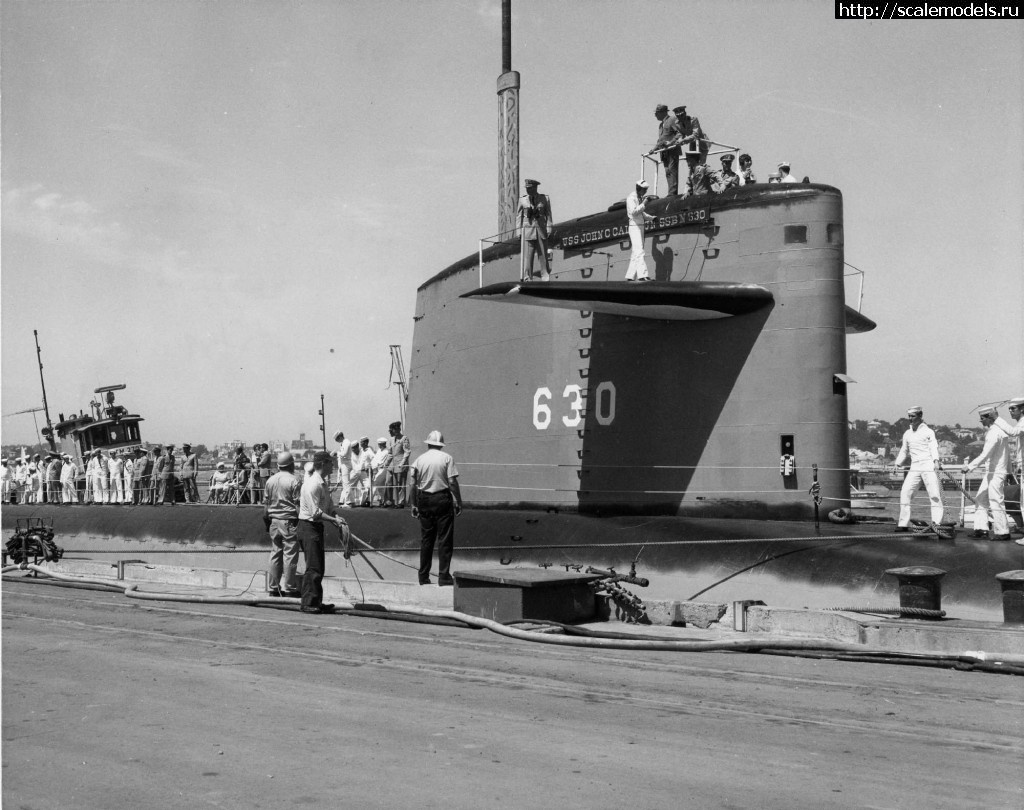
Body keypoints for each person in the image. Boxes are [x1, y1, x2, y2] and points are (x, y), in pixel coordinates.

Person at [409, 430, 462, 586]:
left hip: (424, 499)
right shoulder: (447, 458)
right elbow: (452, 482)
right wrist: (458, 501)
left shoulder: (419, 460)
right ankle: (444, 576)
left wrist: (413, 504)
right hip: (442, 499)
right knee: (444, 539)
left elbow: (412, 485)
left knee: (427, 540)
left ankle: (423, 576)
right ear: (440, 445)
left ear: (428, 443)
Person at [297, 450, 348, 614]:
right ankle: (308, 603)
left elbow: (329, 507)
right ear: (324, 464)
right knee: (313, 567)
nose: (333, 465)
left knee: (318, 566)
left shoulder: (323, 484)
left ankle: (316, 601)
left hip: (316, 527)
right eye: (331, 463)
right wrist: (334, 521)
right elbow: (315, 512)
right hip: (308, 526)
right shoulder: (314, 485)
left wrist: (336, 517)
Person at [891, 406, 943, 532]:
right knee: (905, 492)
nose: (910, 419)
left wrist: (936, 461)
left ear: (920, 416)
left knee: (934, 494)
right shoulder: (907, 434)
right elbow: (904, 450)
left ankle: (937, 524)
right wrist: (897, 463)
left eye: (913, 416)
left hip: (928, 464)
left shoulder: (928, 432)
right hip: (915, 466)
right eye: (909, 416)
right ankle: (903, 523)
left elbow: (933, 447)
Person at [963, 407, 1011, 540]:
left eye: (983, 419)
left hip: (996, 473)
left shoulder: (994, 433)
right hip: (992, 472)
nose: (981, 422)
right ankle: (981, 529)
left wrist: (969, 467)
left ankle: (1003, 532)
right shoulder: (999, 431)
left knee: (996, 501)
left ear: (990, 417)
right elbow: (1007, 456)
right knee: (980, 499)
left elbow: (985, 454)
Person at [264, 450, 303, 597]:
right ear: (291, 464)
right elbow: (298, 506)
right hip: (289, 521)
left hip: (273, 520)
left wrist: (266, 521)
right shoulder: (295, 480)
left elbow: (265, 506)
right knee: (290, 555)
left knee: (275, 553)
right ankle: (290, 588)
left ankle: (273, 588)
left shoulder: (270, 481)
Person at [516, 179, 552, 280]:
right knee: (528, 256)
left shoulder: (544, 198)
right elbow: (519, 217)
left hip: (541, 229)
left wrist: (549, 227)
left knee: (543, 255)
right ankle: (528, 277)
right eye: (527, 188)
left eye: (530, 188)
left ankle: (545, 276)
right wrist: (518, 231)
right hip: (528, 230)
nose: (528, 190)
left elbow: (548, 214)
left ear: (535, 188)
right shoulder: (522, 200)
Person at [648, 104, 683, 196]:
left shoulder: (671, 120)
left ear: (663, 112)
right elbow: (660, 141)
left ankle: (672, 193)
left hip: (672, 150)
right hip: (664, 152)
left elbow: (679, 133)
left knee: (672, 170)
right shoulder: (660, 125)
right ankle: (670, 192)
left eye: (657, 113)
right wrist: (654, 149)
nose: (655, 115)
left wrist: (671, 143)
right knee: (668, 172)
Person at [625, 179, 655, 281]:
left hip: (640, 226)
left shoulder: (639, 197)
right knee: (639, 251)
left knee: (635, 253)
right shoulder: (631, 198)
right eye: (644, 190)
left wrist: (651, 218)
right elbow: (634, 212)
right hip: (634, 226)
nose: (646, 192)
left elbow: (642, 214)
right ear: (639, 188)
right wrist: (644, 203)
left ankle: (630, 275)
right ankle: (643, 275)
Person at [385, 421, 411, 507]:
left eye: (397, 429)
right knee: (389, 482)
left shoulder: (404, 438)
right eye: (394, 429)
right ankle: (390, 501)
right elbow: (390, 453)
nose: (396, 431)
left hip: (401, 464)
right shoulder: (391, 440)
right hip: (393, 464)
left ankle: (401, 502)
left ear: (399, 429)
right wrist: (386, 464)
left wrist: (402, 463)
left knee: (400, 483)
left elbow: (407, 452)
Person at [333, 430, 354, 507]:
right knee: (345, 483)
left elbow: (344, 454)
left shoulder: (347, 442)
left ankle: (348, 502)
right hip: (343, 464)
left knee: (346, 484)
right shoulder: (343, 443)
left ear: (340, 437)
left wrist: (337, 453)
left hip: (346, 464)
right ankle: (351, 501)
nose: (337, 441)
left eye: (337, 439)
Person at [370, 437, 391, 506]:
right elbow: (374, 460)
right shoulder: (379, 451)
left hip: (383, 469)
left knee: (375, 484)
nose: (379, 445)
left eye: (380, 444)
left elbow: (382, 462)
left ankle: (370, 501)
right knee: (380, 487)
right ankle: (384, 501)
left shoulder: (386, 451)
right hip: (377, 469)